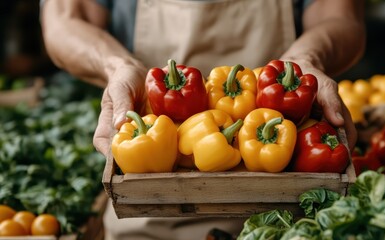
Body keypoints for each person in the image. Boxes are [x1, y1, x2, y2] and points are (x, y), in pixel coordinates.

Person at [39, 0, 365, 239]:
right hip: (150, 216)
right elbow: (65, 19)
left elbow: (341, 17)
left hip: (289, 220)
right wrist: (116, 66)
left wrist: (306, 58)